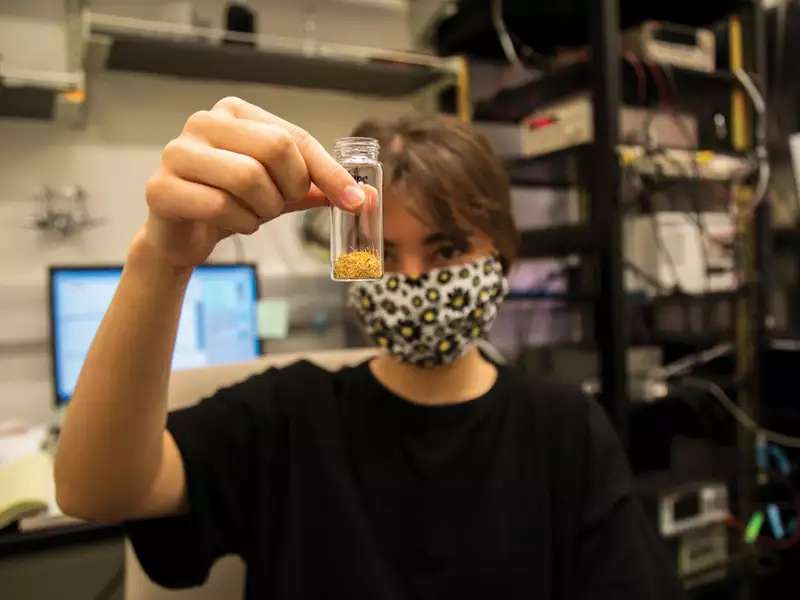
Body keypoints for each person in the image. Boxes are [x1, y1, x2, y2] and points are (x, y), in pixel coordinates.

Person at [54, 97, 684, 599]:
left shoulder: (564, 429)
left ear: (502, 253)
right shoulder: (287, 417)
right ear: (351, 261)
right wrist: (160, 260)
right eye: (380, 254)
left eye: (446, 250)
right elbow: (97, 491)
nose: (411, 279)